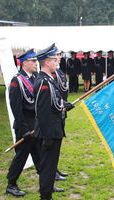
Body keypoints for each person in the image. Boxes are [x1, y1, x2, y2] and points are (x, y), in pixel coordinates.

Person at [34, 44, 74, 200]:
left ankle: (47, 193)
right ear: (46, 62)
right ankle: (45, 196)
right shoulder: (44, 82)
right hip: (49, 132)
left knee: (50, 166)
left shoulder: (48, 80)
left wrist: (64, 106)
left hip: (53, 130)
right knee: (48, 167)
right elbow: (42, 112)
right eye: (53, 59)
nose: (57, 61)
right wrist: (48, 137)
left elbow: (54, 103)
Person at [6, 49, 41, 197]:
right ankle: (11, 184)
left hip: (36, 126)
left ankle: (47, 183)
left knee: (39, 155)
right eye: (33, 61)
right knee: (21, 156)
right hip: (24, 127)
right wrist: (24, 129)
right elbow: (16, 108)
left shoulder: (35, 78)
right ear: (24, 63)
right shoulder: (17, 81)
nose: (36, 64)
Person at [52, 50, 70, 182]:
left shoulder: (59, 71)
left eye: (60, 55)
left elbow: (63, 89)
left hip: (62, 110)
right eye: (57, 56)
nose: (59, 58)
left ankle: (55, 169)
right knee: (53, 145)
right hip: (56, 111)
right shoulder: (51, 73)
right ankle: (53, 171)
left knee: (57, 144)